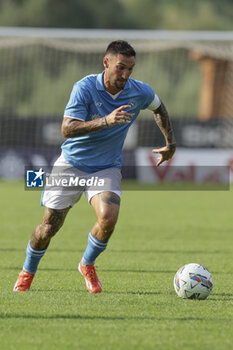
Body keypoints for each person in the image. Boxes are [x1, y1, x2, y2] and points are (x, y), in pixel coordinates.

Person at [13, 40, 176, 293]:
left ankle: (87, 264)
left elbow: (159, 107)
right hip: (72, 165)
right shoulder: (85, 87)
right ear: (106, 62)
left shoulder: (138, 91)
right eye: (120, 67)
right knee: (47, 229)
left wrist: (170, 143)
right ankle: (27, 271)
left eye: (130, 69)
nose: (125, 75)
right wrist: (106, 121)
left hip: (106, 167)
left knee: (108, 217)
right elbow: (67, 129)